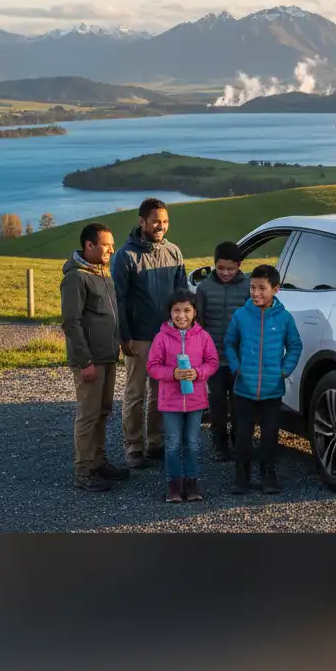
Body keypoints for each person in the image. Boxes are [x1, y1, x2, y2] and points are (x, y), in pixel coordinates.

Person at [112, 198, 188, 468]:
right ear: (141, 221)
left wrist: (183, 332)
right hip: (139, 336)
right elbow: (118, 299)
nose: (161, 226)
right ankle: (133, 447)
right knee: (135, 394)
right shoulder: (125, 256)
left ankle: (156, 443)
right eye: (156, 221)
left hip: (167, 336)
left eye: (165, 221)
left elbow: (183, 297)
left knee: (161, 391)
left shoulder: (174, 253)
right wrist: (124, 336)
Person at [60, 222, 130, 492]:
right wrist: (85, 362)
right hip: (90, 361)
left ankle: (99, 463)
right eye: (106, 244)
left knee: (103, 412)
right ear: (89, 245)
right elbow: (71, 323)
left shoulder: (102, 272)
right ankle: (84, 471)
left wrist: (121, 342)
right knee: (89, 415)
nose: (112, 249)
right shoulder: (76, 278)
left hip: (107, 356)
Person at [224, 264, 303, 495]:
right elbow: (229, 343)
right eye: (252, 288)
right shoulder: (240, 315)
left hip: (272, 391)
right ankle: (242, 477)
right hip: (244, 389)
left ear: (275, 289)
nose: (256, 293)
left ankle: (269, 476)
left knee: (270, 436)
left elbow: (295, 345)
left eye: (261, 288)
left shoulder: (285, 318)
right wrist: (237, 367)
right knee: (243, 436)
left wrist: (284, 370)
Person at [146, 290, 220, 503]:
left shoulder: (203, 337)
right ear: (169, 313)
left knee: (193, 442)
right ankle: (174, 484)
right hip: (170, 401)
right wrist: (172, 374)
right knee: (173, 442)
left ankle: (192, 481)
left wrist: (198, 372)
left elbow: (212, 362)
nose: (181, 315)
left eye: (187, 310)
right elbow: (152, 366)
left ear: (195, 312)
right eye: (176, 310)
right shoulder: (161, 337)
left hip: (195, 400)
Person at [194, 240, 250, 461]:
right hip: (213, 358)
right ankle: (220, 443)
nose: (225, 273)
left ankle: (240, 441)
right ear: (214, 264)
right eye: (220, 268)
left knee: (239, 403)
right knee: (216, 403)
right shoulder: (204, 288)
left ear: (239, 266)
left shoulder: (248, 287)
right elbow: (199, 322)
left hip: (239, 358)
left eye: (231, 268)